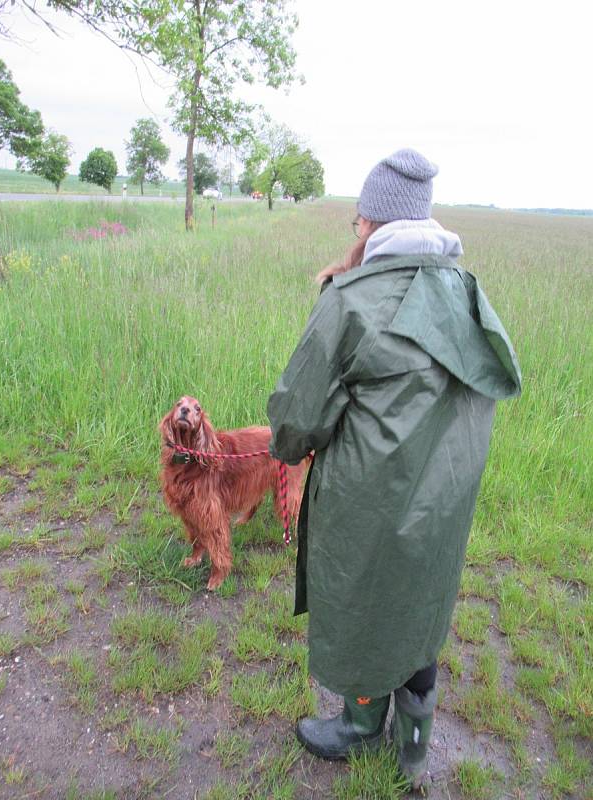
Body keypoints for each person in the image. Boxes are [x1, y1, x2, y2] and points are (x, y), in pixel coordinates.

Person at [266, 148, 521, 787]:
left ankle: (358, 731)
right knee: (419, 605)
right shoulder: (467, 293)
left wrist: (289, 450)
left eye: (356, 220)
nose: (352, 231)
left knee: (363, 603)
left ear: (372, 224)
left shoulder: (351, 300)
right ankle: (412, 757)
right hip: (448, 494)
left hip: (368, 498)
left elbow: (296, 420)